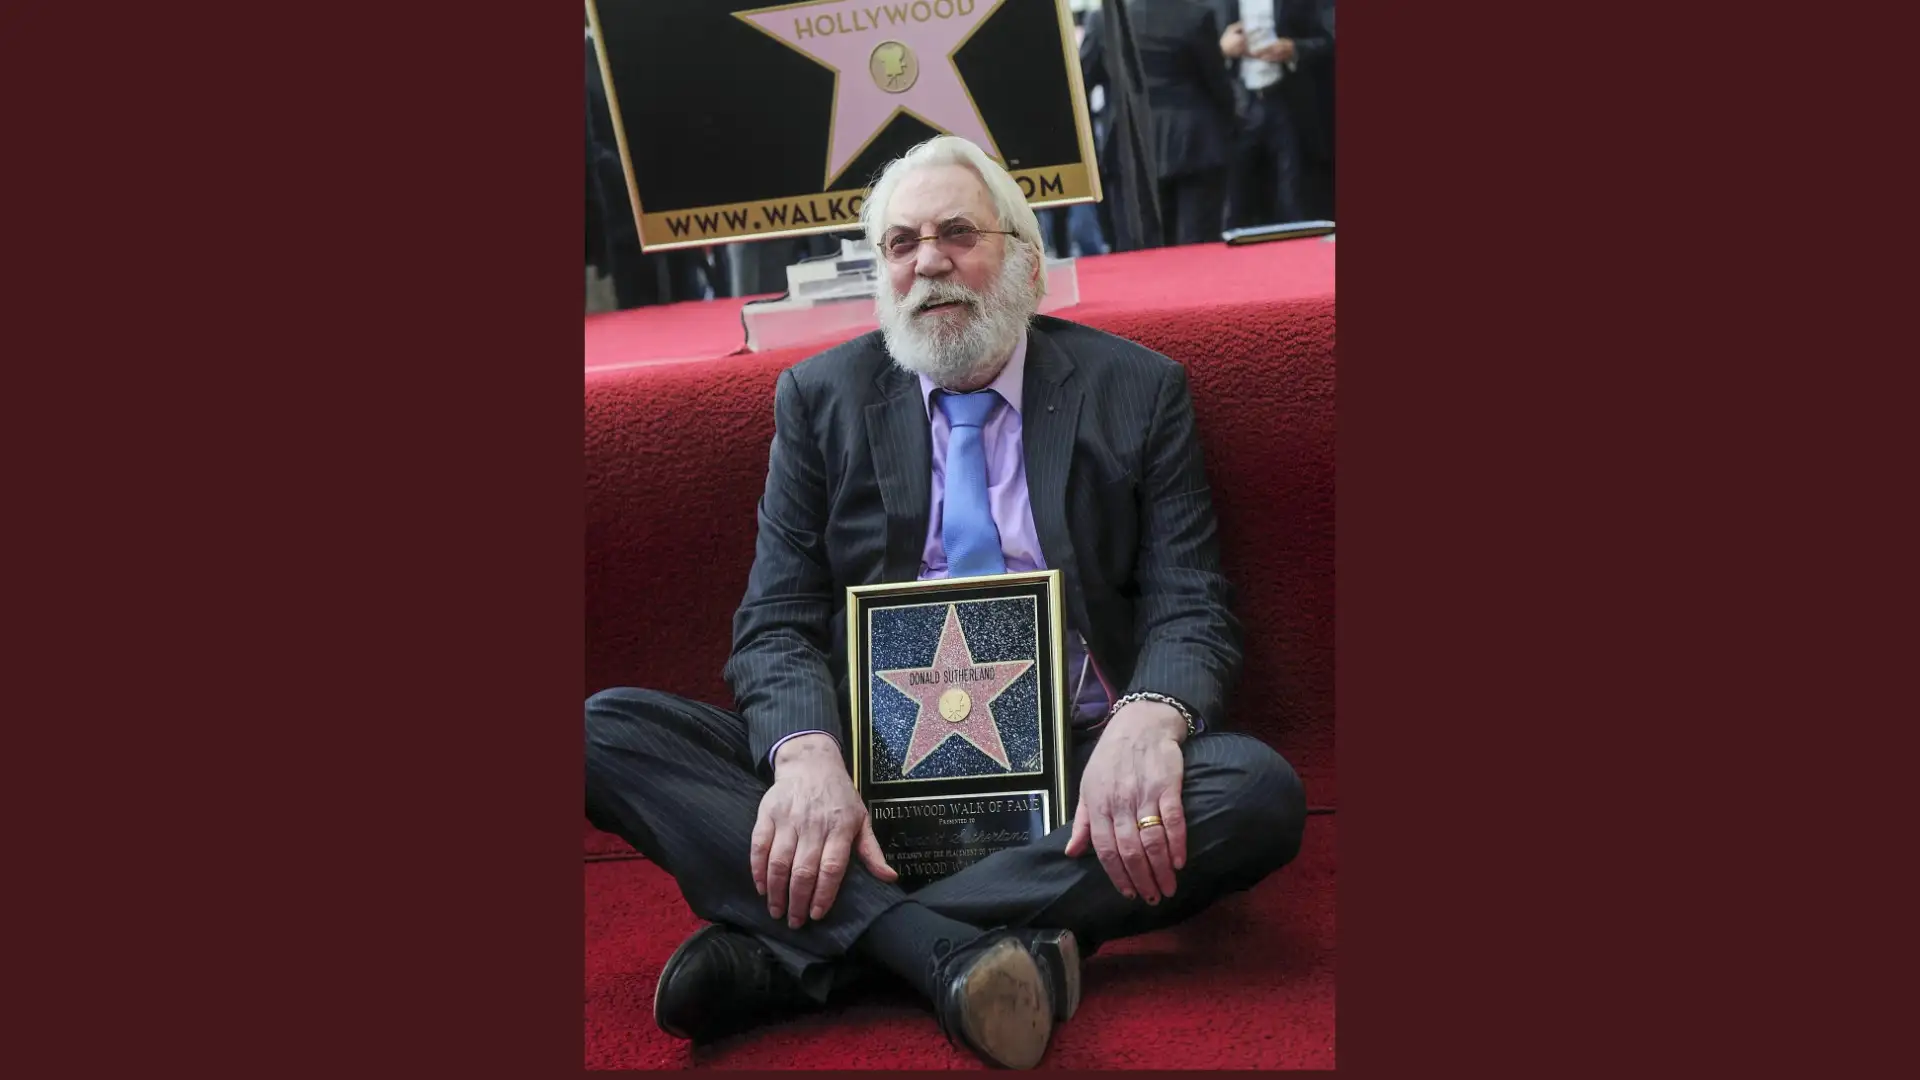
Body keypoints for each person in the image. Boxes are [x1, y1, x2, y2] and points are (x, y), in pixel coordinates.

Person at [584, 135, 1308, 1069]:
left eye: (958, 233)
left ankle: (810, 957)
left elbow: (1192, 600)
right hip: (869, 776)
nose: (928, 261)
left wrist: (1150, 717)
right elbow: (774, 622)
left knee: (1254, 793)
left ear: (1025, 257)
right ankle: (950, 955)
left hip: (1072, 774)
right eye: (901, 243)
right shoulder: (821, 398)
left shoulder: (1137, 390)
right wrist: (806, 757)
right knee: (605, 731)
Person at [1123, 0, 1241, 246]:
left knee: (1147, 247)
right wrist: (1232, 122)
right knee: (1198, 242)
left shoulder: (1110, 20)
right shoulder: (1197, 15)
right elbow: (1217, 82)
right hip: (1196, 139)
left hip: (1137, 143)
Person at [1212, 0, 1333, 228]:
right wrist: (1222, 50)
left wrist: (1294, 49)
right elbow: (1189, 48)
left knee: (1293, 196)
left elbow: (1328, 40)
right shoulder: (1213, 4)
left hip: (1288, 102)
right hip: (1237, 105)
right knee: (1235, 200)